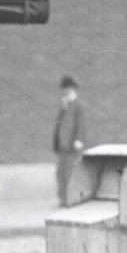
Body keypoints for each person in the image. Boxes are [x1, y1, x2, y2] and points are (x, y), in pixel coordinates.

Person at [52, 75, 86, 207]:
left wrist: (78, 140)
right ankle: (63, 199)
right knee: (60, 172)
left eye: (67, 89)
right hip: (63, 147)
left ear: (72, 89)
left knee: (70, 173)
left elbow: (81, 124)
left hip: (72, 147)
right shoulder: (64, 105)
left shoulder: (78, 105)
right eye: (63, 89)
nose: (64, 91)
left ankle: (70, 199)